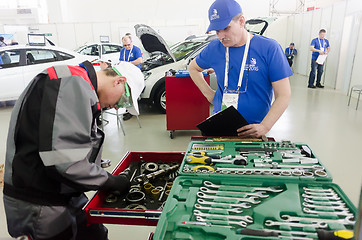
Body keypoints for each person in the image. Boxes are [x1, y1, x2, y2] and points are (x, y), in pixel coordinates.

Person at [3, 60, 145, 240]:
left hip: (63, 192)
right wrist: (109, 181)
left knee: (95, 234)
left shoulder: (79, 84)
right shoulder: (72, 83)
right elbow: (65, 162)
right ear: (119, 81)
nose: (117, 106)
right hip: (39, 201)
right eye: (123, 100)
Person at [189, 0, 292, 138]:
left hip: (253, 130)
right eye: (217, 31)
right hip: (219, 126)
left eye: (226, 28)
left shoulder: (269, 49)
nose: (221, 36)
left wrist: (265, 126)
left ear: (241, 21)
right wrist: (209, 94)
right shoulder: (214, 49)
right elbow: (193, 68)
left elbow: (283, 95)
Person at [119, 34, 143, 120]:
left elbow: (140, 60)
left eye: (128, 45)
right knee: (126, 93)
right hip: (126, 74)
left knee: (132, 92)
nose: (127, 47)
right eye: (125, 45)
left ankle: (132, 111)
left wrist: (129, 63)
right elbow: (121, 61)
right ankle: (128, 109)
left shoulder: (136, 49)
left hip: (134, 74)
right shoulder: (123, 51)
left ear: (131, 42)